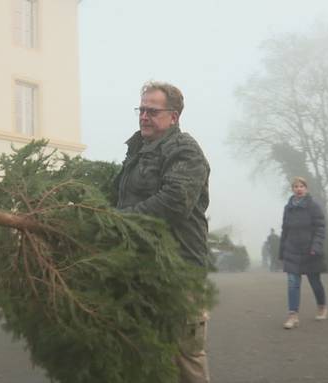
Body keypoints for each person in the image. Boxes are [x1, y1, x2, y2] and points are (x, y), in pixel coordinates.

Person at [114, 81, 212, 383]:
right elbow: (120, 196)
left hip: (179, 268)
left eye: (152, 111)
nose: (144, 116)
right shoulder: (138, 150)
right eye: (141, 109)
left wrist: (118, 221)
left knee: (185, 354)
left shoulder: (185, 151)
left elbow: (173, 203)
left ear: (174, 116)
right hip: (142, 265)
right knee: (149, 349)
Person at [279, 177, 327, 329]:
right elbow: (285, 230)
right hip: (292, 250)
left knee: (315, 282)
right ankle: (293, 316)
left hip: (310, 251)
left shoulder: (313, 206)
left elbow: (320, 227)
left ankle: (322, 306)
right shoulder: (288, 208)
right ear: (292, 189)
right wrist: (282, 250)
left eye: (302, 186)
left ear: (306, 189)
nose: (299, 189)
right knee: (293, 283)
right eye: (295, 186)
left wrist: (316, 246)